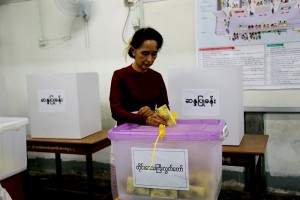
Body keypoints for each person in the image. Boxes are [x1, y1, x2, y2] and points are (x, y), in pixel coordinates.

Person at [109, 27, 169, 127]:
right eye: (145, 54)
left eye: (154, 54)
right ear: (133, 51)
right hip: (126, 130)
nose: (150, 59)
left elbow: (164, 108)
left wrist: (154, 113)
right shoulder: (120, 75)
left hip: (151, 130)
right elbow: (116, 111)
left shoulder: (156, 77)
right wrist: (143, 119)